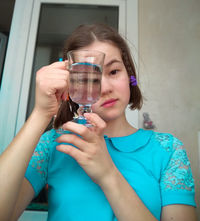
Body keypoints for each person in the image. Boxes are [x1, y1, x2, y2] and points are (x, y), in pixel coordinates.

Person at [0, 24, 197, 221]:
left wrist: (108, 174)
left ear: (129, 77)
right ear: (73, 86)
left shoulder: (169, 150)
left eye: (113, 72)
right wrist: (41, 113)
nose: (105, 88)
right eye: (88, 78)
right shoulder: (54, 145)